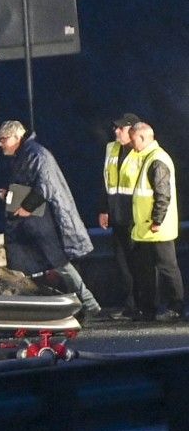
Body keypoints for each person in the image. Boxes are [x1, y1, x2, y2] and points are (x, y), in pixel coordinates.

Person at [0, 120, 101, 318]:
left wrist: (28, 206)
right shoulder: (24, 155)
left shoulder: (36, 154)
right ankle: (34, 308)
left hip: (41, 221)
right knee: (28, 266)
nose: (0, 144)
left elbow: (44, 184)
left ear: (17, 137)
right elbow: (27, 186)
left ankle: (88, 303)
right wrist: (9, 195)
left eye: (3, 140)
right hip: (27, 221)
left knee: (58, 262)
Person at [128, 122, 184, 322]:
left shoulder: (157, 159)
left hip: (156, 227)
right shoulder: (147, 157)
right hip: (145, 227)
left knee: (167, 268)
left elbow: (163, 193)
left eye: (133, 139)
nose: (131, 144)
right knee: (146, 270)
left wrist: (157, 220)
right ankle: (148, 308)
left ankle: (176, 307)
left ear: (142, 137)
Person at [96, 113, 141, 319]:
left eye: (120, 128)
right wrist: (104, 209)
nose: (116, 131)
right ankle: (130, 306)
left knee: (139, 264)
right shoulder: (111, 148)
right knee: (122, 264)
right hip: (118, 216)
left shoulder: (142, 152)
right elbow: (106, 182)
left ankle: (144, 305)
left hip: (136, 217)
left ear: (133, 130)